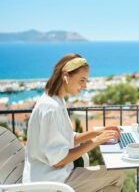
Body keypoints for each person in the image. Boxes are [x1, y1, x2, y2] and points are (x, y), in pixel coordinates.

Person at [22, 53, 123, 192]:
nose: (85, 86)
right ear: (66, 76)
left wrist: (97, 132)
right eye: (82, 80)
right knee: (117, 174)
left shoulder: (55, 100)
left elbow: (67, 137)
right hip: (52, 182)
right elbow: (57, 161)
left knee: (110, 183)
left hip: (55, 175)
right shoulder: (51, 108)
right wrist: (96, 141)